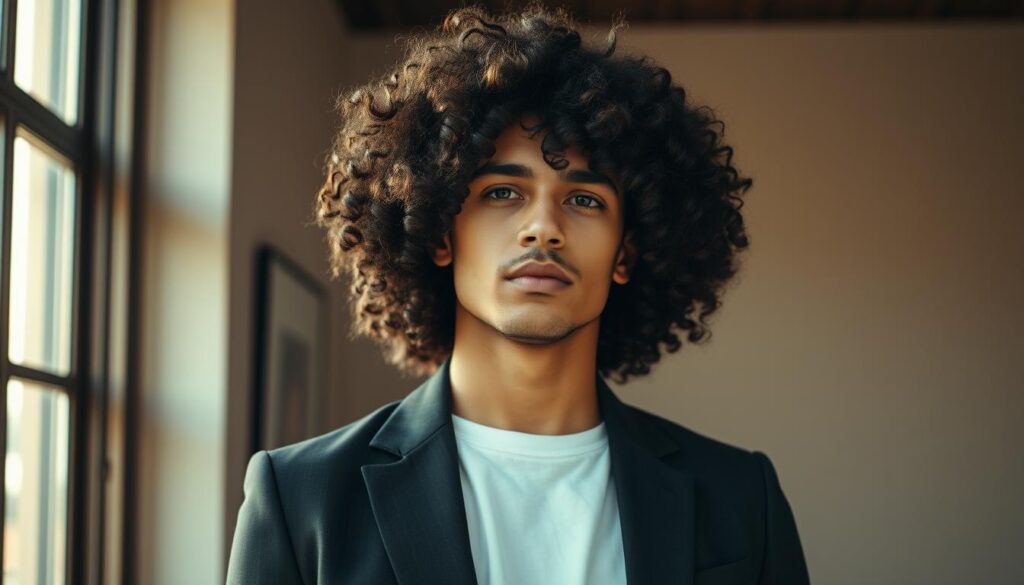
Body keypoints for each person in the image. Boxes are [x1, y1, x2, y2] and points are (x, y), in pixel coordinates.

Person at [227, 3, 810, 584]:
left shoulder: (741, 498)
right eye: (503, 193)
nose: (544, 227)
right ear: (439, 234)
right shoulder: (301, 498)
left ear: (624, 254)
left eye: (585, 200)